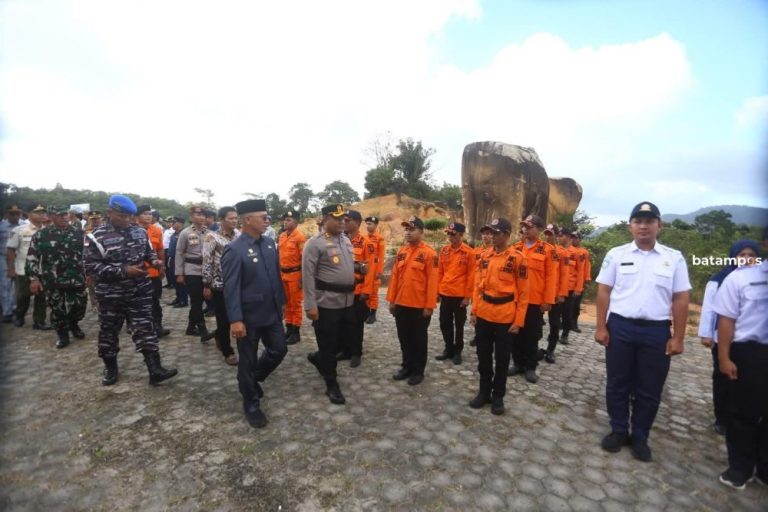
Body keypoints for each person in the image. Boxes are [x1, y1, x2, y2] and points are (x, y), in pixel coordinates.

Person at [595, 201, 691, 462]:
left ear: (659, 225)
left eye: (649, 221)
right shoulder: (616, 254)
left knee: (649, 388)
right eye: (638, 221)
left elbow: (681, 298)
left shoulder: (674, 258)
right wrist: (601, 326)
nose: (643, 226)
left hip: (656, 331)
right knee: (617, 384)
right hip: (621, 327)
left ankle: (640, 436)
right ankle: (618, 430)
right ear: (630, 226)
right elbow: (604, 291)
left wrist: (678, 337)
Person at [84, 195, 178, 387]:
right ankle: (110, 368)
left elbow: (148, 252)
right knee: (109, 332)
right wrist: (123, 270)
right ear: (109, 213)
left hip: (139, 291)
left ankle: (155, 370)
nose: (126, 220)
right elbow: (90, 267)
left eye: (129, 216)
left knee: (145, 328)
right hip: (111, 295)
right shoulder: (95, 236)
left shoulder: (139, 232)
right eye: (121, 216)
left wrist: (155, 261)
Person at [222, 199, 287, 427]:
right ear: (247, 219)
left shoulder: (269, 243)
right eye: (263, 217)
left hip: (271, 312)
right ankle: (250, 403)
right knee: (247, 361)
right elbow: (230, 288)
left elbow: (275, 277)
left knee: (279, 349)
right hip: (248, 317)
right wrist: (236, 319)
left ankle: (251, 379)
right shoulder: (234, 249)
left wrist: (282, 302)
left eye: (267, 216)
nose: (267, 220)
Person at [713, 229, 768, 490]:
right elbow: (726, 319)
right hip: (751, 353)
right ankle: (740, 468)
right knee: (743, 414)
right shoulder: (740, 278)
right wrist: (724, 356)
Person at [698, 240, 761, 435]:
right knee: (723, 378)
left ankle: (745, 416)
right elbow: (709, 309)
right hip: (722, 339)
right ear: (733, 257)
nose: (746, 259)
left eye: (751, 255)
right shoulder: (719, 279)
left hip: (753, 342)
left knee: (749, 380)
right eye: (742, 255)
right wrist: (706, 334)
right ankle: (722, 417)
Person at [468, 218, 528, 415]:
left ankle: (498, 396)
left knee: (502, 360)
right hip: (484, 313)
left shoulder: (517, 258)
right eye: (490, 233)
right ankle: (484, 392)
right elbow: (478, 286)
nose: (492, 236)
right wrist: (474, 311)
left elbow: (524, 293)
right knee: (483, 357)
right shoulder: (485, 257)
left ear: (507, 234)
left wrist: (519, 321)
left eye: (496, 233)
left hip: (505, 316)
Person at [302, 204, 356, 404]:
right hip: (326, 303)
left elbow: (344, 265)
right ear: (325, 219)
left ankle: (319, 358)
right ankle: (332, 384)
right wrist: (310, 305)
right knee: (329, 344)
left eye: (344, 218)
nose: (342, 222)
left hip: (347, 301)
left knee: (341, 342)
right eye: (337, 218)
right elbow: (307, 276)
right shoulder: (314, 244)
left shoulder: (345, 239)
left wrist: (359, 267)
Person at [25, 205, 88, 348]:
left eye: (66, 214)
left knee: (79, 306)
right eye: (60, 215)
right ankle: (62, 334)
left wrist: (90, 273)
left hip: (77, 278)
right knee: (57, 309)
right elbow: (32, 258)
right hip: (53, 280)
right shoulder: (41, 235)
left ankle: (74, 324)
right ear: (51, 217)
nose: (65, 217)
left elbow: (89, 255)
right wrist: (34, 279)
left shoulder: (80, 233)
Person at [387, 216, 439, 386]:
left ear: (421, 232)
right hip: (401, 303)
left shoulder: (429, 254)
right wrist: (392, 300)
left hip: (419, 306)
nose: (408, 232)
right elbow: (395, 278)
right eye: (406, 229)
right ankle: (406, 366)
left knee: (418, 340)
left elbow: (433, 282)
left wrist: (429, 306)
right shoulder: (402, 251)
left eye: (412, 229)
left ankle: (418, 371)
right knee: (404, 338)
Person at [509, 214, 556, 383]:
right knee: (515, 333)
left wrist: (548, 300)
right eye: (524, 227)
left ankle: (530, 367)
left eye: (529, 227)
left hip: (535, 301)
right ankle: (517, 363)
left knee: (531, 335)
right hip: (515, 300)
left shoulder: (547, 250)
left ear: (539, 229)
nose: (525, 230)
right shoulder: (515, 248)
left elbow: (551, 277)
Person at [337, 210, 375, 367]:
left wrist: (366, 292)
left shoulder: (366, 243)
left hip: (358, 290)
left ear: (358, 223)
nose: (345, 222)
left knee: (356, 323)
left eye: (348, 220)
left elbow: (370, 268)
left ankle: (356, 352)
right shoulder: (340, 241)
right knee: (343, 322)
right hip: (342, 290)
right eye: (344, 220)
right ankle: (345, 350)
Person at [202, 206, 240, 365]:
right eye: (231, 218)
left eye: (236, 218)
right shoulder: (212, 237)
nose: (235, 220)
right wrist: (207, 284)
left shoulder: (239, 235)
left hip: (238, 283)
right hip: (220, 284)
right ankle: (227, 351)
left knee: (238, 317)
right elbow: (207, 261)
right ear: (221, 220)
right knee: (223, 319)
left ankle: (225, 338)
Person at [435, 222, 475, 365]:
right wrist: (438, 291)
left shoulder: (469, 252)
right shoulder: (444, 250)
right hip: (445, 293)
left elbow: (471, 276)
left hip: (459, 296)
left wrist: (467, 297)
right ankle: (448, 348)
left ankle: (458, 351)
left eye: (453, 234)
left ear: (461, 235)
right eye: (449, 234)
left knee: (459, 325)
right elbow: (440, 272)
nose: (450, 237)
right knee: (444, 323)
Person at [6, 204, 50, 330]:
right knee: (23, 296)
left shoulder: (47, 230)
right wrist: (10, 269)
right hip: (23, 269)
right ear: (29, 214)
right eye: (38, 212)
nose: (41, 215)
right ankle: (20, 315)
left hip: (42, 269)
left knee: (41, 297)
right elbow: (10, 250)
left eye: (43, 212)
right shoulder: (19, 230)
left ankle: (39, 321)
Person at [175, 205, 210, 337]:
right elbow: (179, 253)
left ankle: (190, 328)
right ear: (191, 217)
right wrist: (179, 273)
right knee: (196, 300)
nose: (201, 217)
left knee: (199, 301)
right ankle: (202, 330)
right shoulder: (186, 233)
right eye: (197, 214)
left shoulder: (209, 233)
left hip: (206, 270)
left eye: (203, 215)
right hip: (191, 270)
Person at [136, 205, 170, 338]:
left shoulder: (156, 230)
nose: (149, 216)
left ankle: (157, 325)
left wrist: (162, 267)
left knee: (155, 301)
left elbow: (160, 249)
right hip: (138, 274)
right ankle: (140, 326)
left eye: (150, 214)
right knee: (138, 301)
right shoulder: (132, 230)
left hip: (153, 273)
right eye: (145, 214)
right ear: (137, 216)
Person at [277, 209, 306, 345]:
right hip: (283, 274)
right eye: (284, 220)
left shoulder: (300, 237)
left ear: (296, 222)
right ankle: (288, 329)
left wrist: (302, 278)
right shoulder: (282, 236)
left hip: (295, 275)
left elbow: (304, 259)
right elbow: (279, 255)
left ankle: (296, 332)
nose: (285, 222)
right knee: (286, 303)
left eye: (288, 220)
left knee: (295, 304)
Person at [543, 224, 568, 363]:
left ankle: (550, 350)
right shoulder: (541, 250)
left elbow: (564, 275)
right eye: (546, 233)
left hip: (555, 294)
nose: (548, 236)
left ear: (557, 236)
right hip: (541, 294)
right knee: (535, 325)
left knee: (554, 323)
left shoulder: (562, 253)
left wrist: (562, 294)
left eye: (551, 234)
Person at [0, 205, 22, 322]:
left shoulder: (23, 227)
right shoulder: (1, 227)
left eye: (17, 214)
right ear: (7, 215)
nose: (15, 216)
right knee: (5, 285)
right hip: (3, 258)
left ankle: (14, 307)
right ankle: (7, 311)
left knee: (17, 286)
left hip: (19, 258)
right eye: (12, 214)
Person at [557, 228, 578, 345]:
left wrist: (578, 288)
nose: (559, 238)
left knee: (567, 313)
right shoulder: (555, 250)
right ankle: (554, 334)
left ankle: (565, 334)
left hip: (570, 288)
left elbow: (580, 271)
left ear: (568, 237)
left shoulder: (576, 253)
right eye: (558, 235)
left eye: (562, 235)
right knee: (556, 314)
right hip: (558, 288)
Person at [364, 216, 386, 324]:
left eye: (370, 224)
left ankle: (373, 314)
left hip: (375, 268)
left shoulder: (379, 238)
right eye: (367, 224)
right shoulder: (363, 237)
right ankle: (366, 311)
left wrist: (379, 271)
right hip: (365, 268)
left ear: (376, 225)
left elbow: (381, 255)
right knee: (365, 290)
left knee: (373, 292)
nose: (368, 226)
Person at [571, 232, 591, 333]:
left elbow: (587, 267)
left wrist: (586, 280)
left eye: (576, 238)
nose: (573, 240)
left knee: (576, 305)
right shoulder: (567, 250)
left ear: (580, 239)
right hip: (568, 283)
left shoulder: (584, 252)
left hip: (579, 283)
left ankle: (574, 323)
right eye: (572, 238)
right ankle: (565, 323)